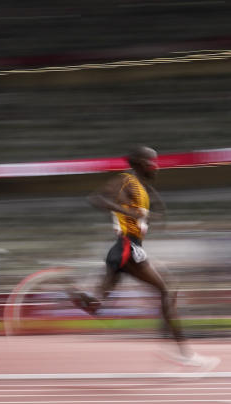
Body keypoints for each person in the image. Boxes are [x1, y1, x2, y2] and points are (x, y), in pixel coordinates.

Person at [72, 146, 217, 368]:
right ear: (139, 163)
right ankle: (183, 354)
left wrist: (150, 214)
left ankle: (71, 291)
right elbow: (95, 198)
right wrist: (129, 213)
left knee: (96, 305)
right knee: (167, 290)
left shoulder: (141, 187)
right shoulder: (126, 181)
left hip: (125, 249)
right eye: (152, 162)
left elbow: (139, 212)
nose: (156, 166)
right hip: (127, 248)